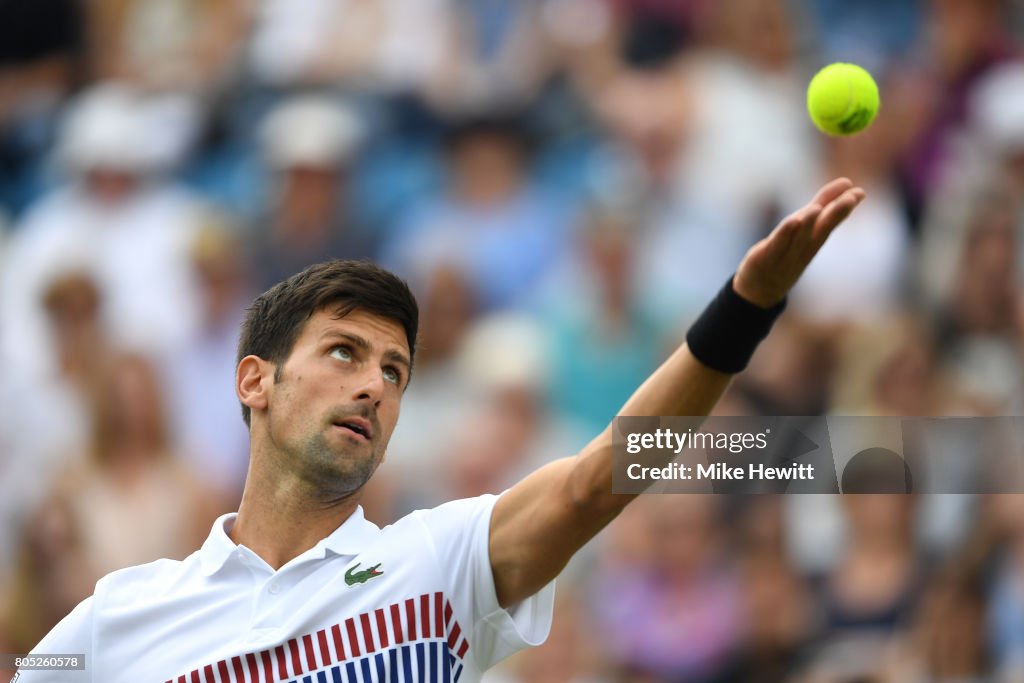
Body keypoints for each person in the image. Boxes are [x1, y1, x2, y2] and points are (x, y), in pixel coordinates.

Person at [19, 178, 865, 681]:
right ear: (255, 382)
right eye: (344, 352)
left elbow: (599, 476)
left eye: (394, 371)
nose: (373, 385)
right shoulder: (119, 618)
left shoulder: (436, 562)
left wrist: (742, 312)